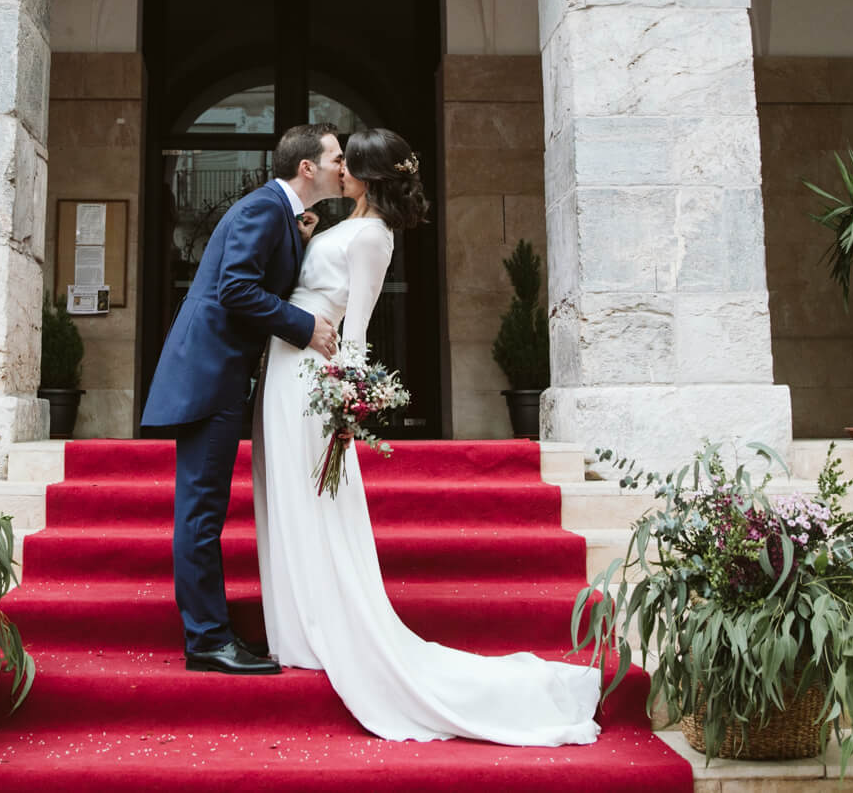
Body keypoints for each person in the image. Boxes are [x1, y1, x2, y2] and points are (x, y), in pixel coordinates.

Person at [253, 127, 602, 744]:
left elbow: (357, 325)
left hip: (311, 372)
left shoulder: (373, 237)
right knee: (286, 499)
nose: (339, 171)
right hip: (283, 369)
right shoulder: (340, 224)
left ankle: (320, 628)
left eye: (347, 164)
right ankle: (296, 627)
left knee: (314, 504)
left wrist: (346, 403)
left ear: (367, 176)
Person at [140, 123, 344, 675]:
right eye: (336, 158)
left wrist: (296, 242)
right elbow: (235, 288)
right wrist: (306, 326)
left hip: (222, 375)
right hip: (211, 376)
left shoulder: (277, 213)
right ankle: (206, 639)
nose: (342, 167)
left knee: (203, 510)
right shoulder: (261, 208)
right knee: (202, 513)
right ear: (308, 168)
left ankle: (209, 633)